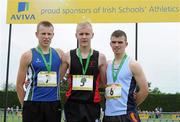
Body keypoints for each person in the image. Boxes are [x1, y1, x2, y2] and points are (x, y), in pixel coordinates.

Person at [16, 21, 64, 122]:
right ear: (37, 34)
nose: (46, 37)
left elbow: (69, 70)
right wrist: (24, 105)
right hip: (33, 103)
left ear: (53, 35)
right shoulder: (27, 55)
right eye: (43, 33)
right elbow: (19, 85)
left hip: (54, 103)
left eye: (49, 34)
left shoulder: (59, 53)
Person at [60, 21, 107, 122]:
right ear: (76, 35)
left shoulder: (100, 57)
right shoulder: (68, 56)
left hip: (92, 105)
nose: (84, 37)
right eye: (81, 34)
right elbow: (58, 79)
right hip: (73, 104)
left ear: (92, 35)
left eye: (87, 34)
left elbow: (104, 83)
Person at [103, 30, 148, 122]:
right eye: (114, 42)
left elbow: (144, 90)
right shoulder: (107, 65)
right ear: (110, 44)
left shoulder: (133, 64)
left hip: (127, 115)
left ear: (126, 44)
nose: (116, 45)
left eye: (120, 42)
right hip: (108, 115)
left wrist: (131, 106)